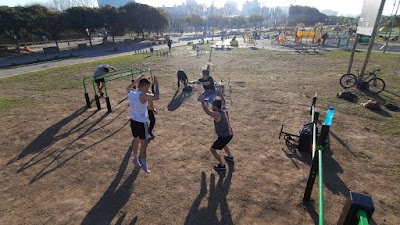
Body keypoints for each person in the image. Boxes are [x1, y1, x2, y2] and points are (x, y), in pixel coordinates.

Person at [127, 76, 160, 173]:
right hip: (141, 122)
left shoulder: (132, 92)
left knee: (136, 140)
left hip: (133, 121)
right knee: (144, 144)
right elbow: (157, 97)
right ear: (144, 86)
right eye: (148, 87)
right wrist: (157, 85)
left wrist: (137, 80)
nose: (148, 89)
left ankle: (135, 158)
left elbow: (128, 87)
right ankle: (144, 164)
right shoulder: (143, 95)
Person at [198, 91, 234, 170]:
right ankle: (230, 157)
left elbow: (208, 112)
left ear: (216, 108)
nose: (211, 106)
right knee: (223, 144)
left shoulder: (217, 114)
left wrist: (202, 101)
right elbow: (223, 101)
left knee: (213, 149)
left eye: (212, 106)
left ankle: (222, 165)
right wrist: (220, 93)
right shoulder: (224, 109)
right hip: (229, 133)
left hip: (224, 136)